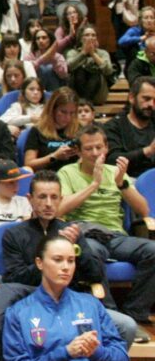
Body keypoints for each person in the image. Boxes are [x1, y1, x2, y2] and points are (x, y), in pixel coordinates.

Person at [0, 170, 141, 344]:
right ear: (30, 199)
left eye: (54, 197)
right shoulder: (14, 234)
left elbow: (95, 274)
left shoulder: (72, 232)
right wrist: (52, 253)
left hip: (72, 303)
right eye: (42, 197)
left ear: (61, 199)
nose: (48, 203)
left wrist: (76, 248)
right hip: (33, 303)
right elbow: (15, 278)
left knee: (127, 326)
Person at [3, 236, 129, 361]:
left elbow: (122, 359)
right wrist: (66, 352)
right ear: (39, 263)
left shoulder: (90, 305)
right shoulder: (19, 312)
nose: (66, 267)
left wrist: (96, 352)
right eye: (58, 259)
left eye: (71, 261)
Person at [58, 124, 154, 325]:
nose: (94, 153)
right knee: (91, 253)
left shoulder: (115, 172)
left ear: (106, 147)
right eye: (88, 149)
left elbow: (144, 210)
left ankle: (135, 313)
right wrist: (93, 185)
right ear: (79, 151)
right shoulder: (67, 172)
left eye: (98, 148)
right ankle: (110, 316)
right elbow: (59, 210)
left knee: (153, 250)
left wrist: (121, 183)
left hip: (115, 236)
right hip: (86, 235)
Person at [105, 75, 155, 178]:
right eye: (146, 98)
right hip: (126, 181)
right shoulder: (113, 126)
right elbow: (112, 160)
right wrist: (148, 151)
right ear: (131, 98)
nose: (151, 104)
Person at [66, 24, 116, 105]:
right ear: (81, 38)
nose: (90, 38)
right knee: (80, 70)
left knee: (95, 71)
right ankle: (85, 102)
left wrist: (93, 54)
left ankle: (85, 103)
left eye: (93, 35)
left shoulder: (102, 53)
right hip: (76, 94)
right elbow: (68, 67)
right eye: (87, 35)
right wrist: (83, 53)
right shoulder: (73, 52)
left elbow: (108, 70)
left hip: (98, 94)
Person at [25, 27, 68, 92]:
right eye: (38, 38)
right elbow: (26, 72)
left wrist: (54, 60)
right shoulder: (30, 56)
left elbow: (63, 75)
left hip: (55, 87)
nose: (40, 40)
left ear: (50, 40)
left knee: (48, 68)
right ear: (35, 41)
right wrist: (43, 59)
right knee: (43, 69)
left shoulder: (58, 56)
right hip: (35, 88)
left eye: (44, 38)